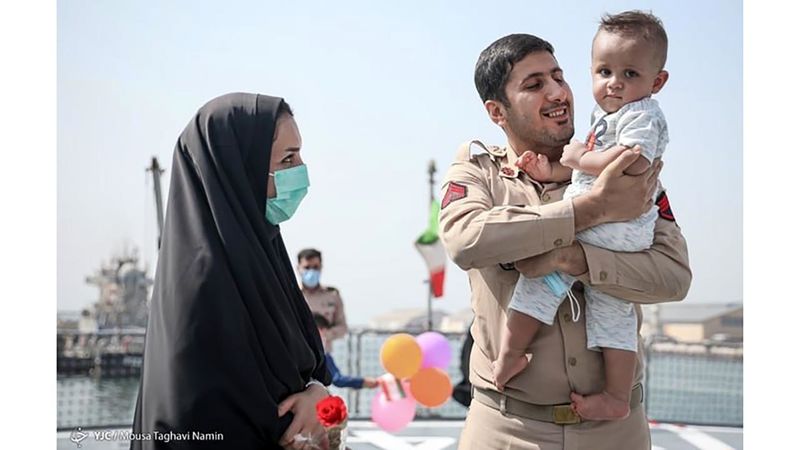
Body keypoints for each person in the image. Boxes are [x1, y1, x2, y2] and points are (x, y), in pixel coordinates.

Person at [439, 33, 691, 449]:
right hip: (506, 430)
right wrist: (590, 209)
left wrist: (576, 259)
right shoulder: (477, 169)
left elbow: (674, 278)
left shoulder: (628, 173)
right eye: (535, 84)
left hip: (615, 434)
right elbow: (466, 240)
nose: (558, 92)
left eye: (559, 76)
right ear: (497, 111)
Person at [492, 11, 672, 422]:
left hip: (616, 230)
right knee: (613, 313)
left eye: (629, 73)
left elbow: (634, 161)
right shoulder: (604, 117)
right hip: (605, 232)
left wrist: (580, 157)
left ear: (656, 82)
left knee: (538, 285)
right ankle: (614, 395)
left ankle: (509, 355)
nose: (614, 83)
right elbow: (582, 171)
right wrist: (553, 171)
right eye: (604, 71)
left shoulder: (642, 114)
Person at [131, 93, 333, 450]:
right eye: (288, 158)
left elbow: (306, 371)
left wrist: (317, 393)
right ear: (238, 171)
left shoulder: (263, 254)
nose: (301, 171)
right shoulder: (202, 289)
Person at [312, 313, 378, 389]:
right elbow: (338, 379)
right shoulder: (323, 356)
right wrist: (363, 382)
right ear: (321, 331)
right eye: (325, 334)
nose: (326, 338)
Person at [297, 248, 348, 343]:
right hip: (299, 352)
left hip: (325, 353)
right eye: (307, 267)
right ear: (298, 268)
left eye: (315, 267)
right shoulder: (292, 295)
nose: (311, 271)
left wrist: (325, 334)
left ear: (321, 267)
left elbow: (342, 327)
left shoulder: (333, 296)